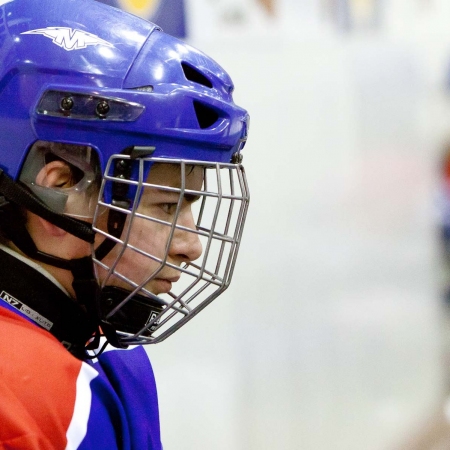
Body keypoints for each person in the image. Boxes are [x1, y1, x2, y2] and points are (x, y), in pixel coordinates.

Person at [0, 0, 250, 448]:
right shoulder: (30, 401)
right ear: (62, 192)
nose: (191, 246)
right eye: (166, 206)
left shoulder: (97, 345)